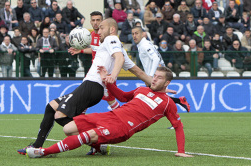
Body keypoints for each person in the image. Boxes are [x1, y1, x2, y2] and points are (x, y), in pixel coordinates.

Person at [17, 18, 153, 155]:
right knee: (51, 106)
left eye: (101, 28)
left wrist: (113, 76)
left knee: (60, 115)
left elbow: (119, 58)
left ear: (112, 29)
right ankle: (37, 145)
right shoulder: (111, 46)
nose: (98, 31)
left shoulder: (112, 40)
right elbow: (138, 71)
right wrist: (153, 84)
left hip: (93, 85)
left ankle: (98, 139)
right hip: (91, 87)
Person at [26, 67, 194, 158]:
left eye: (159, 78)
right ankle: (99, 148)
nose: (154, 79)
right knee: (67, 129)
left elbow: (178, 126)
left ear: (167, 82)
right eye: (154, 76)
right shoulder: (142, 89)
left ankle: (44, 152)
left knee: (88, 135)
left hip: (123, 127)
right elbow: (121, 96)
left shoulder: (167, 103)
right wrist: (107, 79)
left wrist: (181, 150)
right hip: (111, 116)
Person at [132, 26, 190, 111]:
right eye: (133, 34)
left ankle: (178, 104)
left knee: (151, 96)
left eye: (136, 33)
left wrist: (151, 76)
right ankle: (179, 101)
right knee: (157, 96)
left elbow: (156, 58)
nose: (134, 36)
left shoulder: (145, 45)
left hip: (154, 75)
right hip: (155, 74)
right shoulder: (143, 44)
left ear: (142, 34)